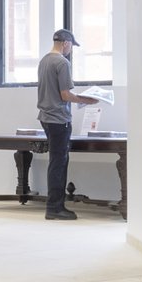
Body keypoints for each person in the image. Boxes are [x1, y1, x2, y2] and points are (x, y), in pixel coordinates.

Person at [35, 27, 97, 222]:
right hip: (59, 119)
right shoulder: (62, 63)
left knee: (56, 161)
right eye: (71, 46)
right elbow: (65, 95)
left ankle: (54, 205)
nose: (71, 50)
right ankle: (55, 207)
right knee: (59, 163)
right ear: (66, 43)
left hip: (45, 117)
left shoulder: (44, 60)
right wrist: (87, 100)